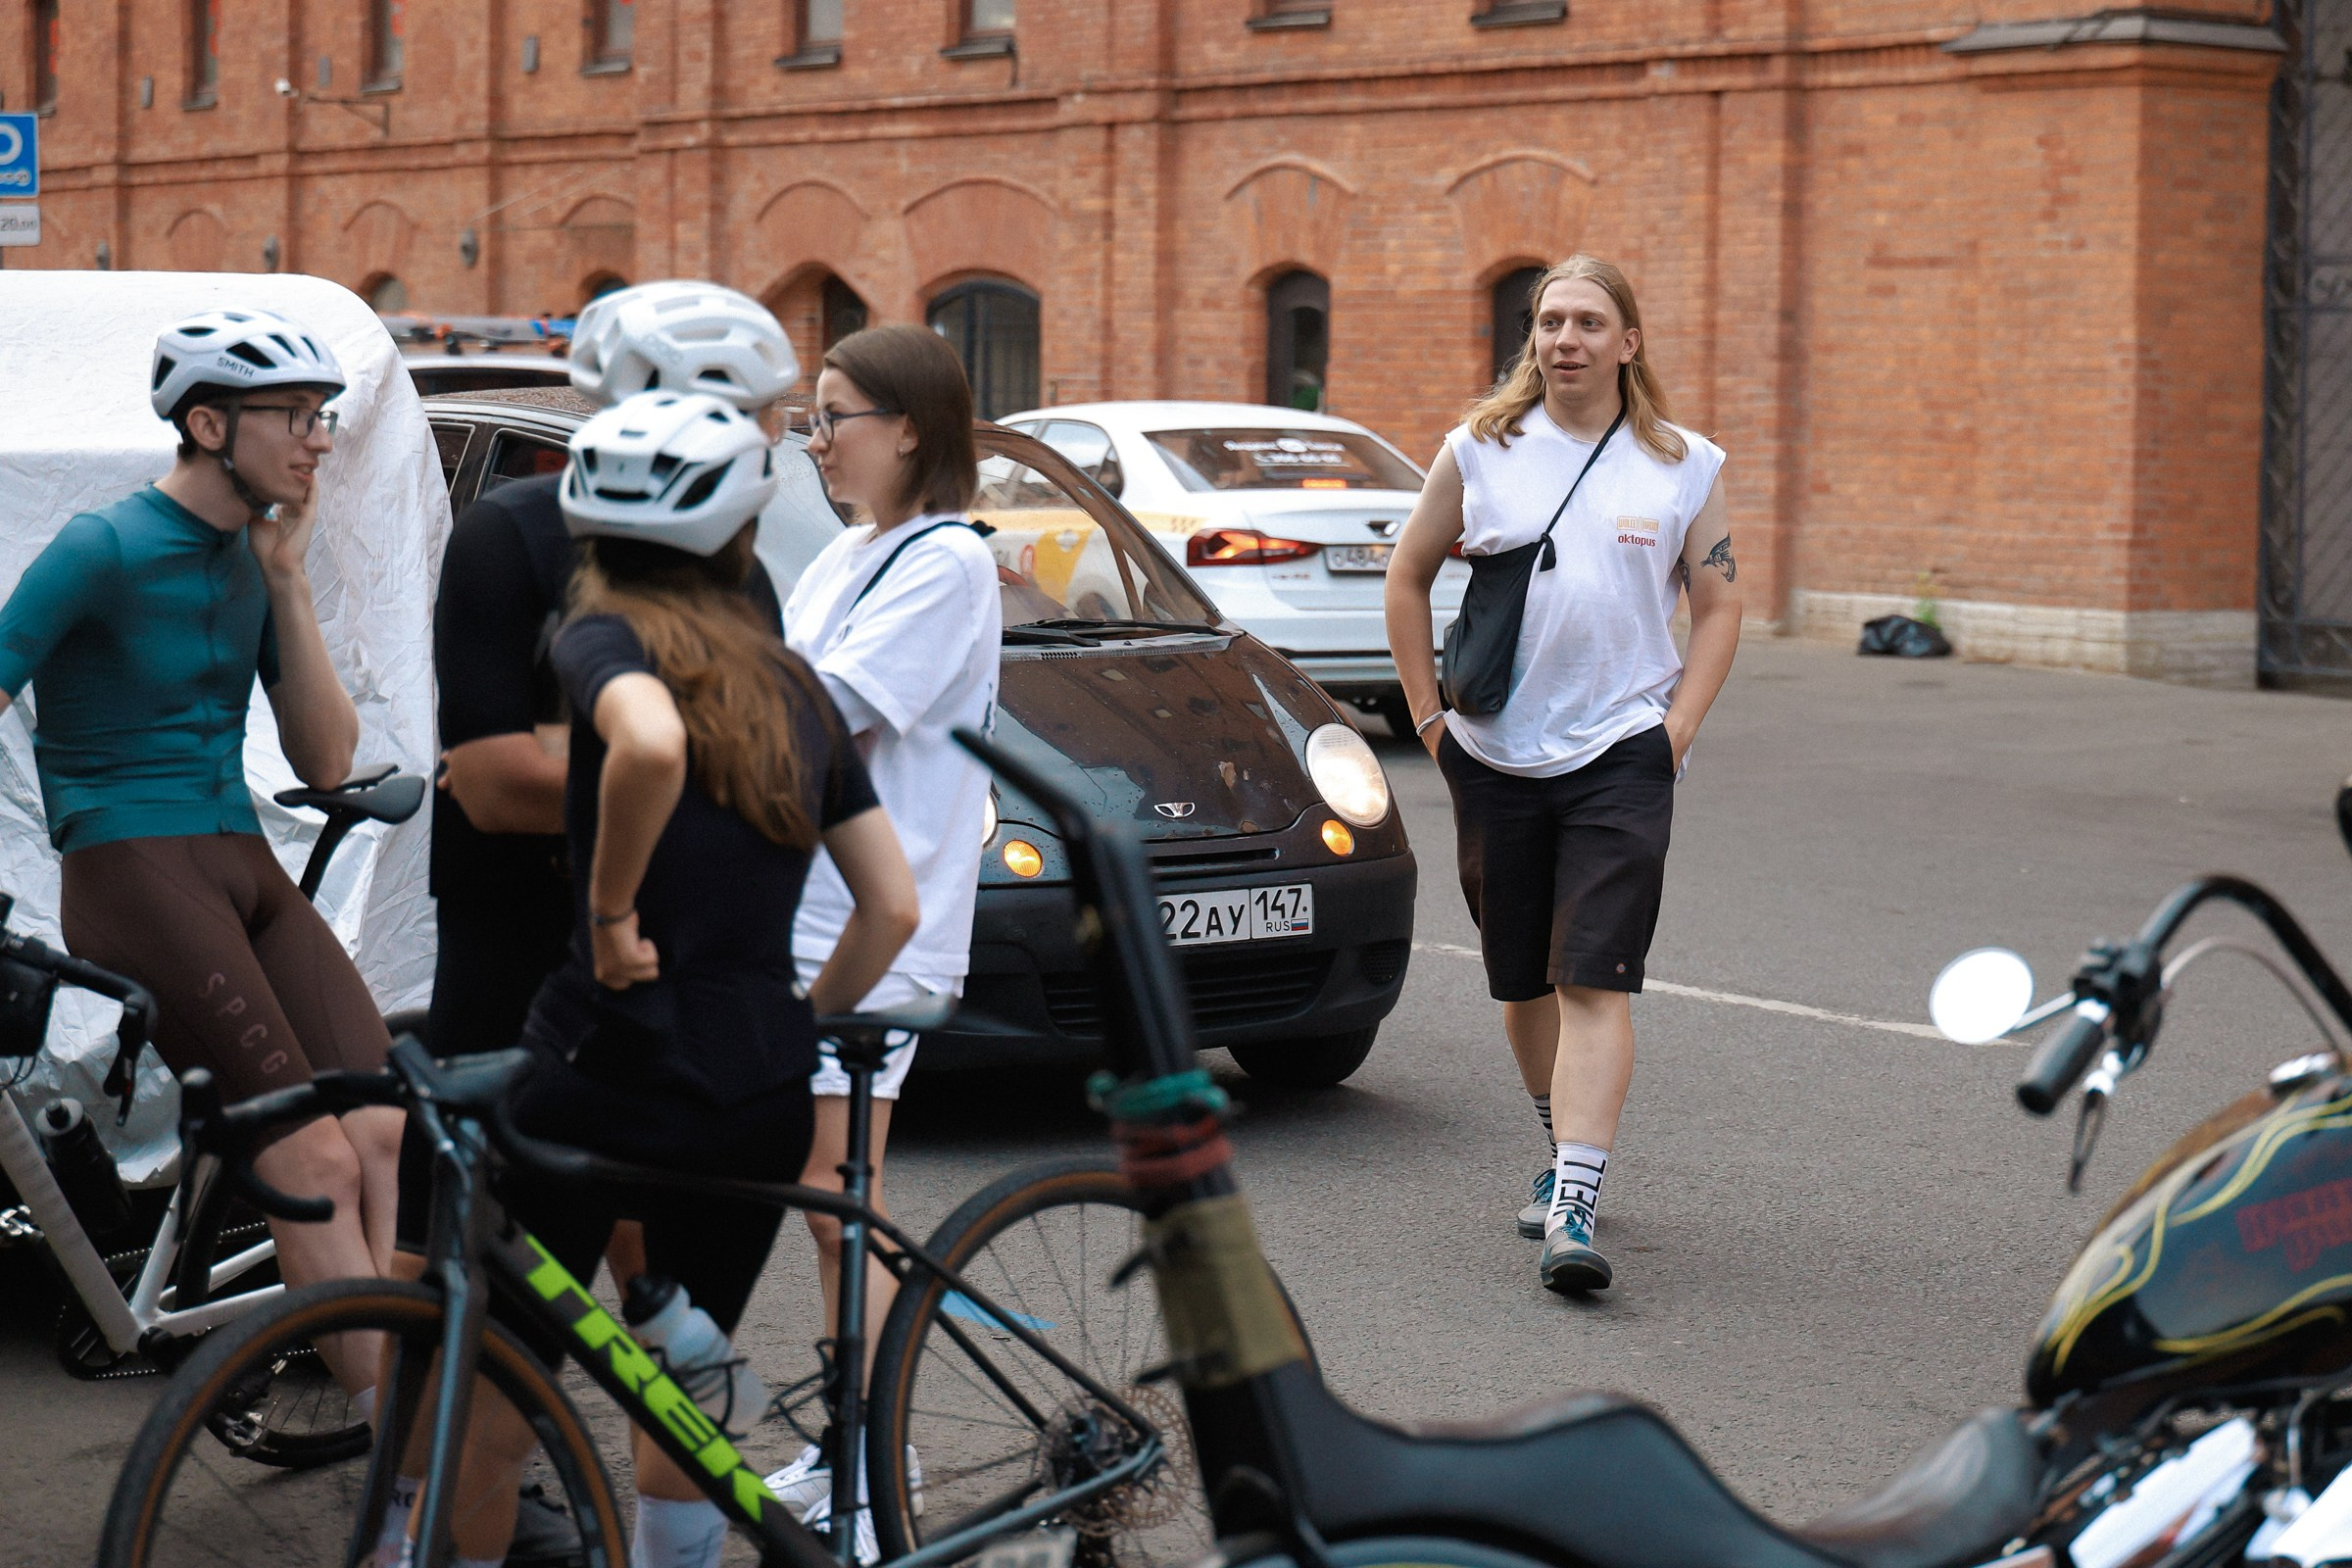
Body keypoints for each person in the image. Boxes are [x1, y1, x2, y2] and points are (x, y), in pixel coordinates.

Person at [437, 389, 920, 1568]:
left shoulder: (600, 636)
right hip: (754, 1085)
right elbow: (891, 906)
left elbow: (648, 742)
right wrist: (803, 1016)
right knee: (682, 1389)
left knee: (497, 1387)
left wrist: (607, 915)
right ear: (744, 544)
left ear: (593, 542)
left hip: (605, 1064)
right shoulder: (794, 685)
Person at [0, 307, 402, 1397]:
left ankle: (399, 1407)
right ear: (213, 423)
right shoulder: (102, 548)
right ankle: (416, 1471)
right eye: (298, 417)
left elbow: (324, 758)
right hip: (135, 874)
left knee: (377, 1128)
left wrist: (288, 580)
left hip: (239, 866)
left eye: (326, 416)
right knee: (310, 1164)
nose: (321, 439)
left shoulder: (250, 557)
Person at [412, 280, 801, 1280]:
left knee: (653, 1279)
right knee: (460, 1258)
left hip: (649, 962)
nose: (782, 432)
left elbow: (750, 772)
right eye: (765, 411)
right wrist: (647, 772)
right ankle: (392, 1415)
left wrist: (572, 753)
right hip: (510, 947)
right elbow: (494, 788)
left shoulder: (742, 568)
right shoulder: (512, 534)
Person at [1384, 255, 1741, 1296]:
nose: (1566, 340)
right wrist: (1429, 723)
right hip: (1494, 756)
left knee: (1593, 974)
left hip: (1622, 755)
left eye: (1589, 321)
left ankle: (1575, 1204)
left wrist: (1673, 732)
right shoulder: (1482, 450)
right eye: (1550, 322)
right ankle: (1559, 1139)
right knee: (1523, 983)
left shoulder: (1682, 463)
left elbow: (1718, 607)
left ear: (1629, 342)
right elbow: (1407, 581)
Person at [763, 324, 1000, 1523]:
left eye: (834, 416)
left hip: (870, 914)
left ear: (909, 427)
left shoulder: (946, 560)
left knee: (832, 1185)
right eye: (810, 418)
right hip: (803, 903)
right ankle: (852, 1438)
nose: (816, 441)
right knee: (825, 1190)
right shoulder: (852, 551)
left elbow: (829, 710)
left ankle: (877, 1456)